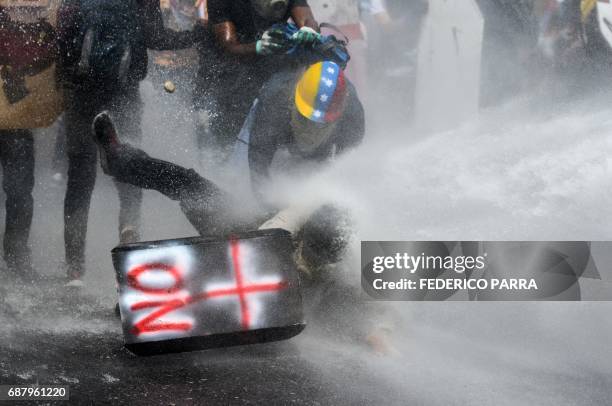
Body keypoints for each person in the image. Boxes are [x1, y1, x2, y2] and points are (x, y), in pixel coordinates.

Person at [90, 61, 364, 271]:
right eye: (305, 120)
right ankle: (120, 159)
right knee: (188, 184)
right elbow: (257, 171)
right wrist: (271, 221)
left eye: (320, 124)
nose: (310, 129)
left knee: (326, 221)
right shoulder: (275, 100)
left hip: (282, 240)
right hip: (261, 222)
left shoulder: (352, 118)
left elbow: (351, 177)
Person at [56, 0, 196, 286]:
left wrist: (64, 80)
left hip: (81, 94)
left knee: (80, 178)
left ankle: (74, 268)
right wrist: (196, 34)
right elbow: (157, 38)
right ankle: (130, 250)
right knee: (128, 173)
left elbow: (63, 37)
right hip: (123, 95)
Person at [200, 0, 319, 153]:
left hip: (269, 61)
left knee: (277, 109)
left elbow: (307, 18)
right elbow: (229, 46)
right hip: (228, 66)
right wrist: (257, 47)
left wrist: (309, 29)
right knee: (224, 131)